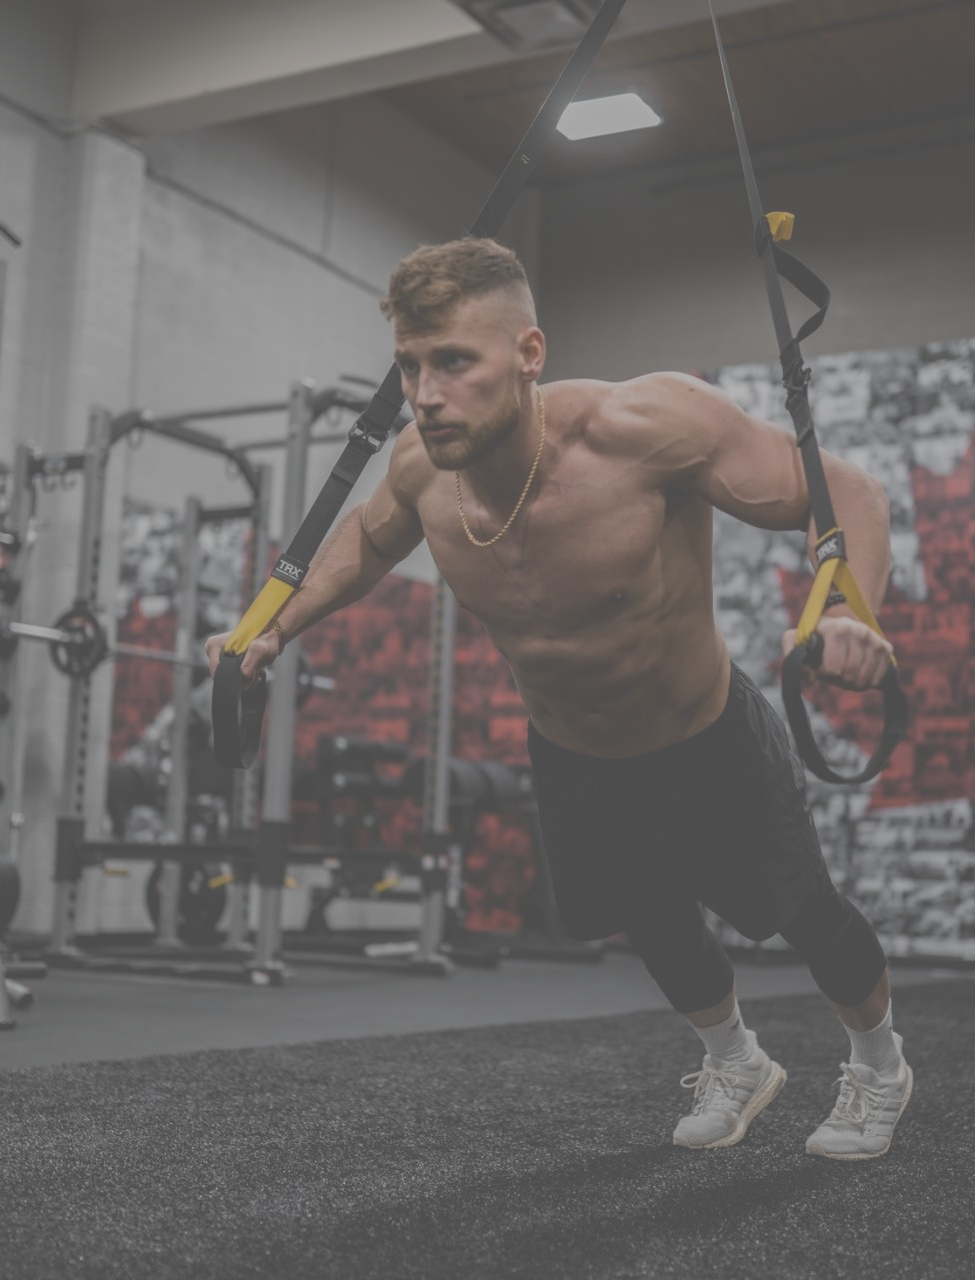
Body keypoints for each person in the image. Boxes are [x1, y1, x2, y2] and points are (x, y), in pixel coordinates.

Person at [206, 238, 909, 1159]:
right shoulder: (420, 470)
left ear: (528, 354)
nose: (425, 394)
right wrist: (271, 625)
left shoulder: (645, 428)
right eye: (410, 367)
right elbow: (370, 540)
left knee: (803, 912)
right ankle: (735, 1060)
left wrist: (847, 611)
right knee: (652, 920)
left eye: (454, 362)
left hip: (703, 734)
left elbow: (844, 490)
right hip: (574, 752)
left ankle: (881, 1067)